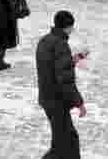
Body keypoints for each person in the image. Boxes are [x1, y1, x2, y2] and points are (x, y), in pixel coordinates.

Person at [37, 10, 87, 158]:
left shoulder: (45, 41)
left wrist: (75, 58)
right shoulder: (61, 45)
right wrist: (79, 103)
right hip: (57, 101)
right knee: (68, 142)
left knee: (61, 142)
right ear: (68, 27)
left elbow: (55, 67)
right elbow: (65, 80)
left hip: (47, 98)